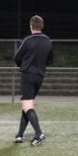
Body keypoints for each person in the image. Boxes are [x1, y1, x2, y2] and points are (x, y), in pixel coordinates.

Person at [13, 14, 53, 146]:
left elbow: (17, 57)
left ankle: (39, 134)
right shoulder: (48, 41)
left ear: (31, 26)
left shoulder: (27, 39)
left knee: (27, 105)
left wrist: (23, 65)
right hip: (40, 76)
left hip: (28, 75)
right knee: (27, 104)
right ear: (42, 26)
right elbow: (50, 60)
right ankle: (19, 135)